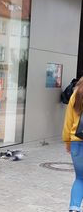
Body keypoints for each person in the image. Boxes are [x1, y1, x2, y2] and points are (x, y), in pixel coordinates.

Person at [62, 76, 83, 212]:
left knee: (80, 178)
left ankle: (74, 208)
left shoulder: (76, 95)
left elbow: (68, 122)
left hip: (76, 142)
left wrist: (67, 141)